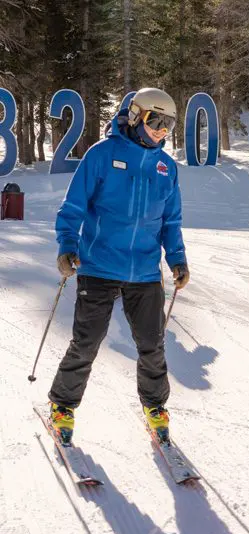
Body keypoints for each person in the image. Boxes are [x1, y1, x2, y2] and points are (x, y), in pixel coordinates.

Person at [47, 88, 190, 445]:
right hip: (98, 265)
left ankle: (155, 407)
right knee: (86, 343)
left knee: (152, 345)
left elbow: (170, 222)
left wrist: (177, 258)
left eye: (168, 124)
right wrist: (67, 246)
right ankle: (63, 405)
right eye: (156, 121)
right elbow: (73, 208)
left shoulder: (166, 168)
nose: (161, 131)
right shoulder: (101, 155)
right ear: (135, 115)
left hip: (144, 272)